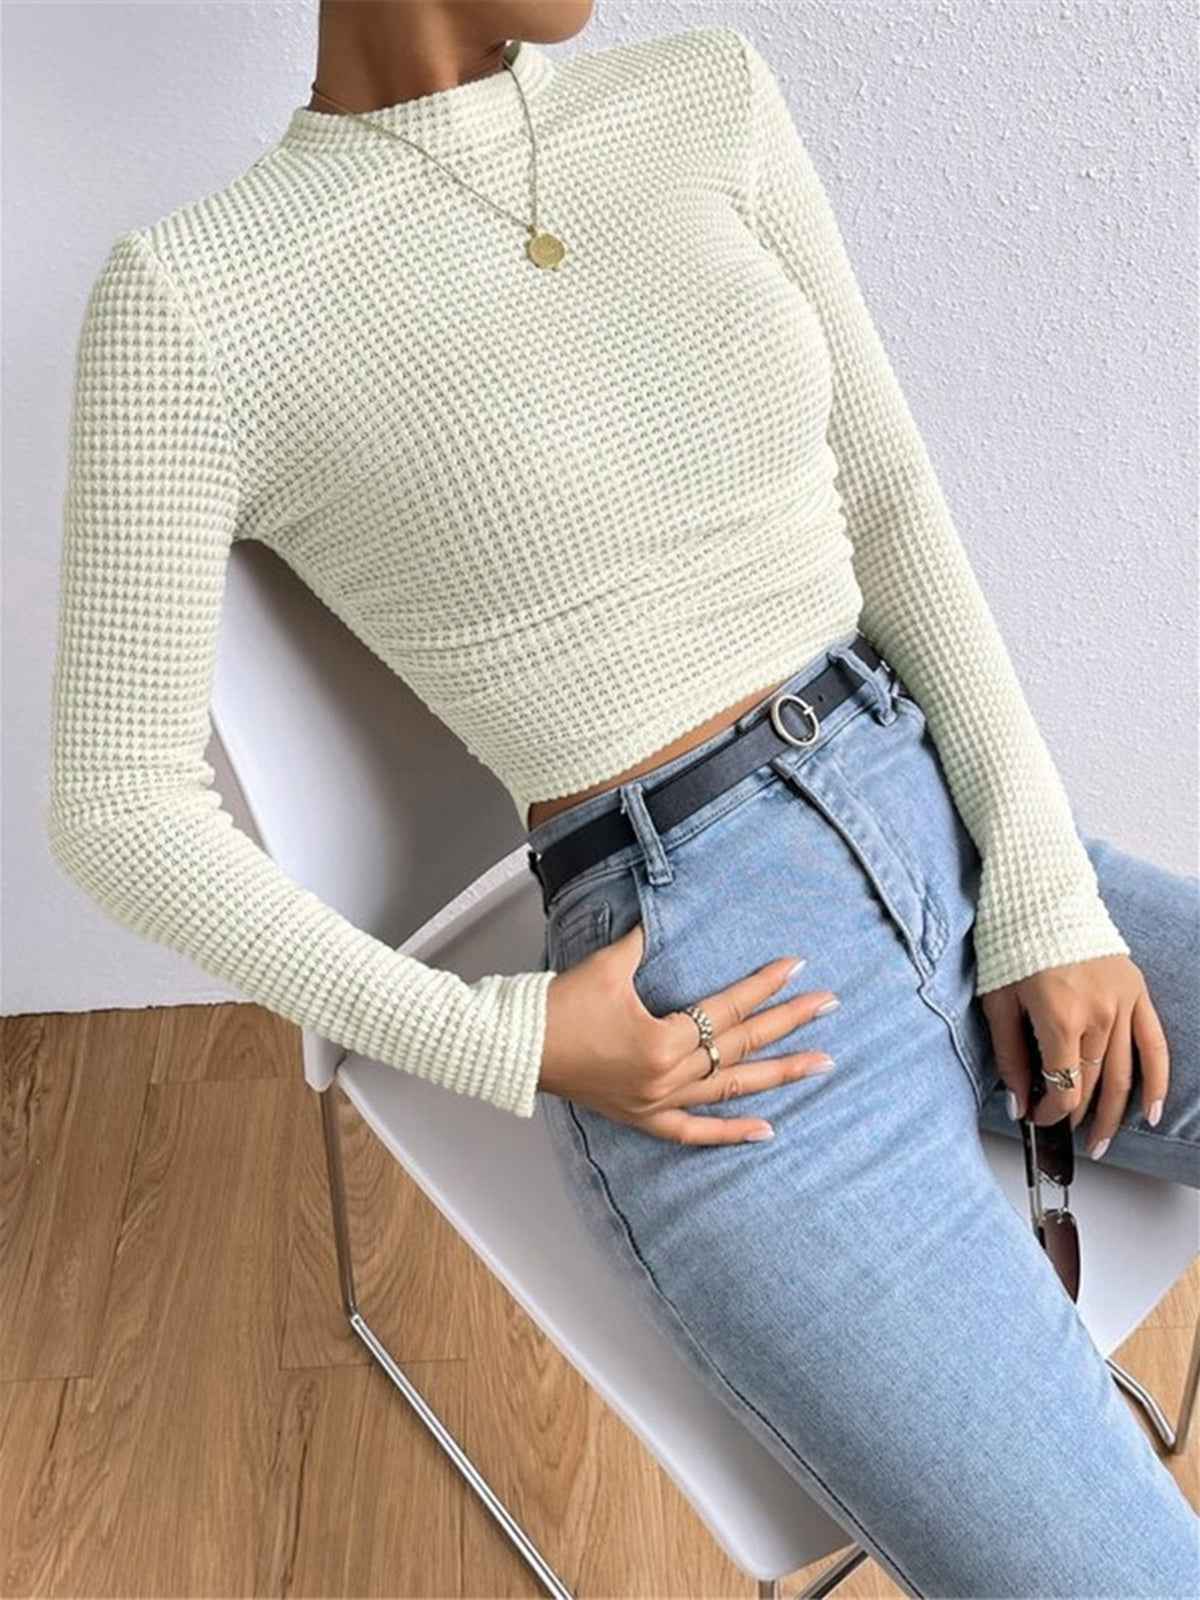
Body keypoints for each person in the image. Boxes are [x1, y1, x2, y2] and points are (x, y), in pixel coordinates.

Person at [46, 2, 1199, 1593]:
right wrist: (507, 1039)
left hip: (941, 808)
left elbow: (886, 497)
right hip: (723, 1013)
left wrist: (1047, 896)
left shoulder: (703, 98)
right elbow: (118, 804)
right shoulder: (196, 299)